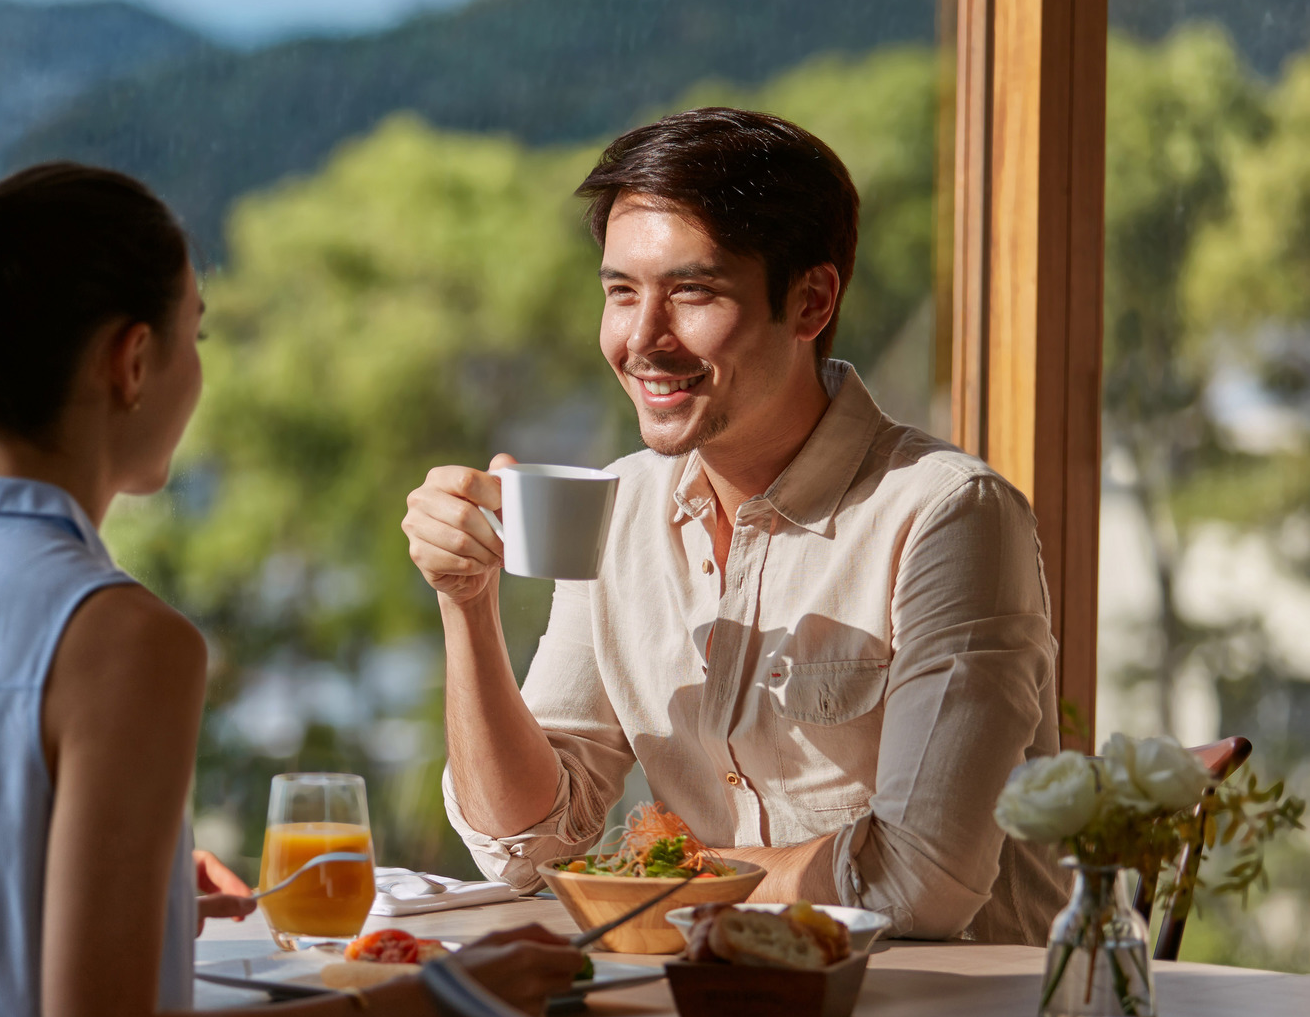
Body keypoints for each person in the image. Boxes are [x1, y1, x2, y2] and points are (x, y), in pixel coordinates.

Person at [0, 143, 584, 1017]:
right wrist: (423, 1003)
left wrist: (96, 897)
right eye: (197, 334)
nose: (197, 369)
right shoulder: (125, 640)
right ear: (131, 362)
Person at [401, 107, 1063, 944]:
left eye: (692, 291)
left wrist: (673, 876)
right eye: (620, 292)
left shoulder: (946, 513)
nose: (642, 339)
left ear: (811, 300)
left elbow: (922, 881)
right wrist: (465, 602)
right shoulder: (621, 506)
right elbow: (527, 842)